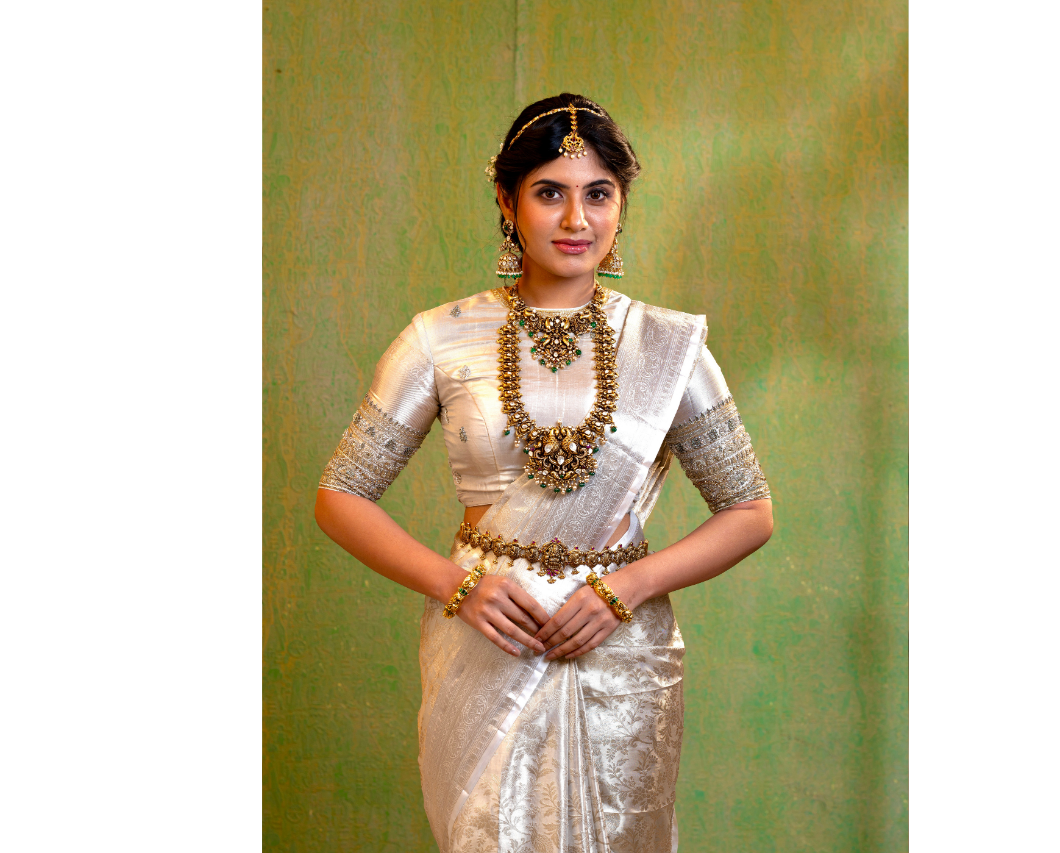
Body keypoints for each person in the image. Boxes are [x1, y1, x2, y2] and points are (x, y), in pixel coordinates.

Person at [314, 92, 773, 853]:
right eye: (550, 193)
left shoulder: (666, 346)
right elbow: (340, 496)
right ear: (508, 201)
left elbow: (750, 511)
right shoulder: (441, 338)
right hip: (487, 640)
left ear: (621, 205)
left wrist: (628, 587)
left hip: (623, 654)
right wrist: (457, 585)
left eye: (599, 194)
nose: (576, 219)